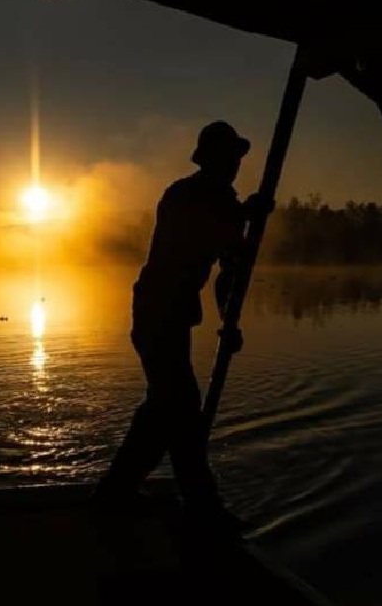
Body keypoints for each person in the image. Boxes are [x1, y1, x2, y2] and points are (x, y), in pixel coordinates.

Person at [93, 120, 271, 532]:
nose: (234, 166)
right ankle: (202, 505)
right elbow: (197, 235)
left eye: (237, 159)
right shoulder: (182, 195)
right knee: (181, 408)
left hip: (175, 316)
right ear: (209, 160)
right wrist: (242, 215)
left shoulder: (226, 202)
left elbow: (229, 272)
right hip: (156, 312)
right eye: (228, 158)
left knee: (163, 409)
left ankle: (115, 493)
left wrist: (229, 322)